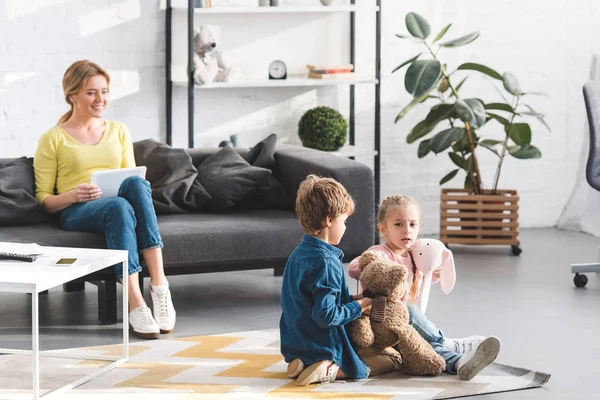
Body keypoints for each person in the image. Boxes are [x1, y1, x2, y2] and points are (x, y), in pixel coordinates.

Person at [33, 60, 176, 339]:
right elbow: (44, 199)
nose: (101, 99)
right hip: (76, 210)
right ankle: (136, 302)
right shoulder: (52, 139)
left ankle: (159, 285)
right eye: (91, 92)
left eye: (105, 91)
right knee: (119, 205)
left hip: (116, 205)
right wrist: (74, 194)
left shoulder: (118, 131)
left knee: (134, 185)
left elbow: (131, 177)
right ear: (72, 95)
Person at [348, 194, 501, 381]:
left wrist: (434, 274)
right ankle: (448, 343)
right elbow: (355, 267)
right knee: (409, 311)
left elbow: (419, 284)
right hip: (382, 325)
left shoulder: (416, 256)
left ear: (419, 227)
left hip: (405, 327)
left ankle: (459, 362)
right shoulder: (379, 253)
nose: (407, 230)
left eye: (412, 224)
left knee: (423, 343)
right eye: (398, 224)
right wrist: (376, 266)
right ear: (383, 228)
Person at [280, 175, 401, 386]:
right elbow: (326, 316)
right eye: (344, 221)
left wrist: (356, 298)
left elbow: (314, 301)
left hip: (296, 342)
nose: (345, 227)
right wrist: (362, 305)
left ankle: (303, 362)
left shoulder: (298, 254)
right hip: (323, 343)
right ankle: (330, 368)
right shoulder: (326, 262)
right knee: (392, 357)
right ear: (329, 220)